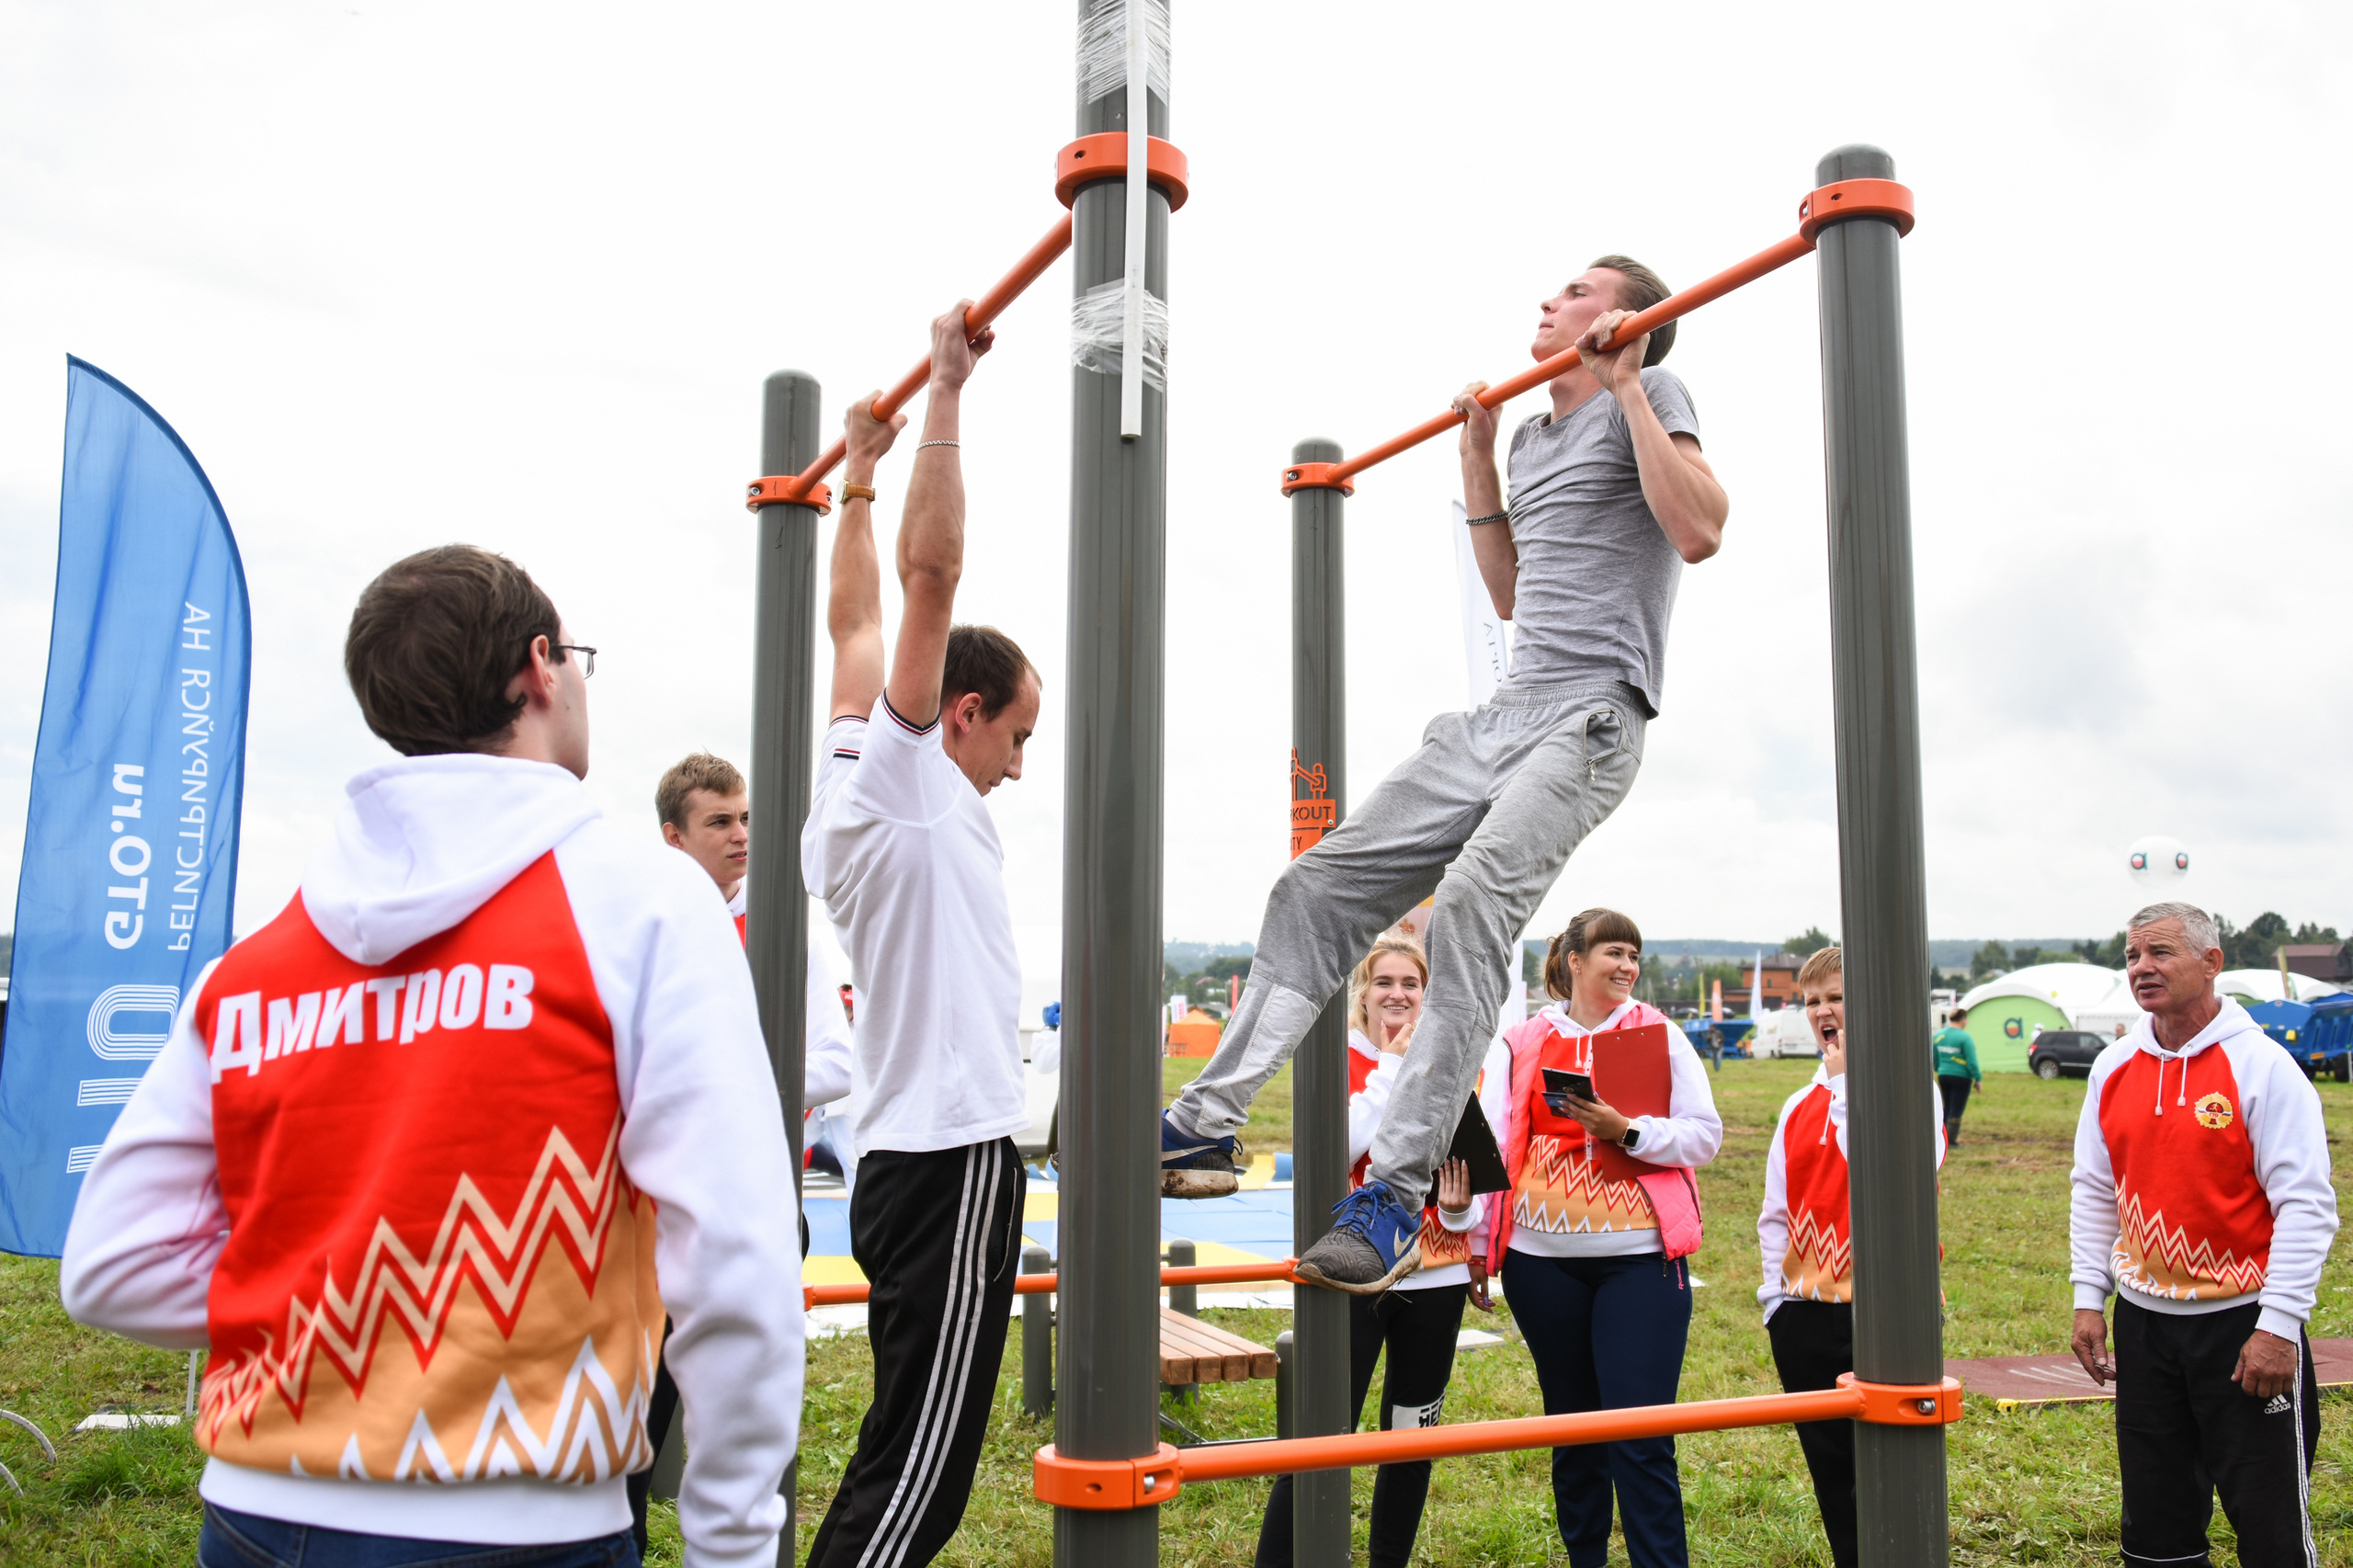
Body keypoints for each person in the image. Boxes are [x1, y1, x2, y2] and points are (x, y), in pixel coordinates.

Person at [61, 545, 802, 1566]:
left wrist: (334, 1303)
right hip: (519, 1523)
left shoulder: (252, 966)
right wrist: (733, 1540)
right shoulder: (643, 903)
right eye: (578, 656)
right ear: (540, 667)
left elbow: (112, 1266)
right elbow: (734, 1251)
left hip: (253, 1515)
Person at [1161, 258, 1729, 1292]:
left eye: (1575, 289)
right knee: (1316, 886)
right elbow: (1510, 595)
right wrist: (1477, 458)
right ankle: (1205, 1120)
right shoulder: (1531, 433)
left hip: (1591, 713)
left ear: (1623, 317)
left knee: (1465, 905)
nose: (1551, 298)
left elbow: (1699, 529)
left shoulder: (1649, 395)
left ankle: (1395, 1187)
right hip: (1503, 714)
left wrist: (1633, 382)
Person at [799, 305, 1041, 1568]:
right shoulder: (903, 778)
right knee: (918, 1478)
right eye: (1016, 734)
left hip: (905, 1148)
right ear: (961, 710)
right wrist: (945, 392)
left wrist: (855, 473)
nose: (1018, 763)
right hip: (948, 1155)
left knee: (903, 1450)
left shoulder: (850, 771)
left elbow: (846, 626)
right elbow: (921, 586)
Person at [632, 750, 857, 1554]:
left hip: (757, 1202)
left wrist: (730, 1078)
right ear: (672, 836)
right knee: (630, 1428)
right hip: (643, 1216)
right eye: (720, 821)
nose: (741, 836)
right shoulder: (635, 921)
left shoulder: (784, 927)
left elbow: (837, 1063)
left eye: (748, 819)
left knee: (738, 1430)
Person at [2068, 903, 2338, 1568]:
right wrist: (2087, 1296)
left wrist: (2278, 1327)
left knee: (2271, 1528)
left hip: (2243, 1330)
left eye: (2160, 953)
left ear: (2211, 962)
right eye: (2132, 956)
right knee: (2157, 1529)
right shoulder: (2113, 1068)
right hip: (2144, 1328)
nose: (2142, 969)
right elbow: (2096, 1189)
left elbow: (2306, 1205)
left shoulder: (2265, 1068)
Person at [1256, 933, 1511, 1568]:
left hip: (1436, 1274)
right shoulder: (1332, 1057)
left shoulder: (1459, 1061)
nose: (1398, 995)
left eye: (1412, 985)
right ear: (1361, 993)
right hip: (1352, 1272)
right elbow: (1335, 1151)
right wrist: (1395, 1067)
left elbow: (1474, 1180)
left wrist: (1456, 1208)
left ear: (1428, 996)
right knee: (1319, 1436)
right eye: (1385, 982)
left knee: (1410, 1437)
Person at [1488, 909, 1722, 1568]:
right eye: (1614, 953)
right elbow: (1500, 1144)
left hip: (1640, 1265)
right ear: (1573, 961)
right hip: (1540, 1266)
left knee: (1642, 1437)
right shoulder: (1521, 1041)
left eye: (1634, 956)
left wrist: (1629, 1130)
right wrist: (1484, 1247)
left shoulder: (1659, 1032)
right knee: (1574, 1433)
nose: (1627, 967)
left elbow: (1705, 1134)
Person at [1757, 947, 1947, 1568]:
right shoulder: (1796, 1105)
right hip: (1806, 1314)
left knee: (1895, 1473)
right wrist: (1774, 1305)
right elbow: (1775, 1213)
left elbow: (1889, 1172)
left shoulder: (1911, 1087)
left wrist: (1845, 1088)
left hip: (1888, 1309)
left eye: (1836, 997)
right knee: (1835, 1480)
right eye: (1812, 1001)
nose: (1823, 1011)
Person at [1931, 1004, 1982, 1147]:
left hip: (1943, 1075)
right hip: (1961, 1077)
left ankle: (1941, 1139)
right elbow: (1971, 1061)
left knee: (1946, 1107)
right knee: (1956, 1108)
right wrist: (1978, 1078)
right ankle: (1952, 1141)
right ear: (1963, 1020)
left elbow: (1934, 1057)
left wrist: (1940, 1069)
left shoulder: (1939, 1035)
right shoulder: (1965, 1038)